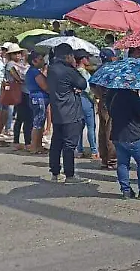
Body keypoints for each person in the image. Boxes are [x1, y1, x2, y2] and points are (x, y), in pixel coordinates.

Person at [45, 42, 89, 184]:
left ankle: (55, 172)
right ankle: (70, 175)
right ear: (69, 56)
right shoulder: (68, 70)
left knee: (56, 143)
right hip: (70, 112)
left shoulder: (51, 68)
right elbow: (82, 83)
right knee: (70, 145)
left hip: (57, 111)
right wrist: (74, 67)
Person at [108, 87, 140, 199]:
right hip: (135, 134)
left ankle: (126, 190)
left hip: (118, 134)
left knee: (122, 163)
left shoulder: (113, 95)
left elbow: (110, 112)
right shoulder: (132, 96)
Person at [94, 48, 119, 169]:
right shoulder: (113, 70)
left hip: (102, 102)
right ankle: (112, 160)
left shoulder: (99, 70)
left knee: (102, 131)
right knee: (111, 131)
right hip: (112, 102)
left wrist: (99, 96)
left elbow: (92, 85)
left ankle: (104, 158)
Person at [6, 45, 33, 152]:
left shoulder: (21, 64)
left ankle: (19, 142)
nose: (17, 55)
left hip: (24, 92)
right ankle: (26, 142)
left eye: (18, 53)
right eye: (14, 53)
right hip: (20, 93)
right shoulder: (10, 65)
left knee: (21, 118)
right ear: (10, 55)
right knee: (26, 118)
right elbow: (18, 78)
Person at [74, 50, 98, 160]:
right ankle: (94, 150)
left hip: (78, 101)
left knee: (79, 126)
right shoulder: (83, 72)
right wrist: (95, 99)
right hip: (86, 100)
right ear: (82, 59)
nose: (88, 60)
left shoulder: (74, 72)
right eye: (87, 58)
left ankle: (79, 150)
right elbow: (88, 89)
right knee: (91, 126)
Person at [25, 52, 50, 155]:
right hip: (39, 98)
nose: (42, 61)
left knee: (40, 122)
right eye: (40, 59)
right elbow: (45, 86)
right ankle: (35, 146)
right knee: (38, 123)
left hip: (37, 98)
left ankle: (38, 145)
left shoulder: (33, 71)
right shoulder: (34, 72)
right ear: (34, 61)